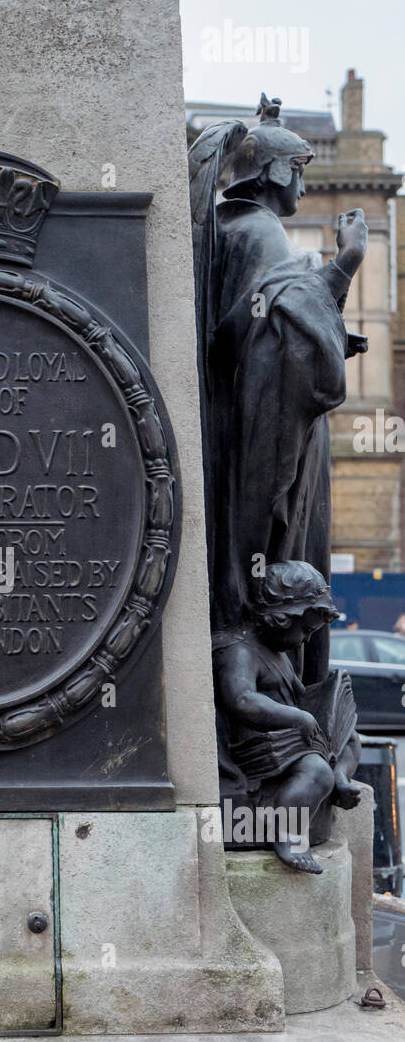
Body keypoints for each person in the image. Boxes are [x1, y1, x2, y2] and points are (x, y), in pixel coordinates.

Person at [190, 96, 368, 685]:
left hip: (258, 420)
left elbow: (269, 316)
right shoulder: (258, 231)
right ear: (271, 171)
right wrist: (345, 263)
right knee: (282, 555)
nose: (304, 188)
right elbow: (278, 326)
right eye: (299, 171)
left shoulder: (235, 229)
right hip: (266, 432)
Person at [212, 562, 361, 874]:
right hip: (260, 746)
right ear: (280, 618)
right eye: (305, 629)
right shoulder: (237, 649)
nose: (306, 639)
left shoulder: (276, 652)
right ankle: (288, 833)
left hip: (293, 738)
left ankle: (342, 778)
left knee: (350, 737)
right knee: (317, 771)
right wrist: (297, 717)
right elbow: (241, 699)